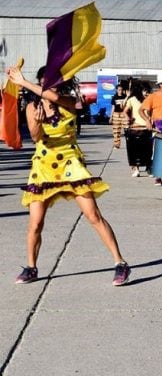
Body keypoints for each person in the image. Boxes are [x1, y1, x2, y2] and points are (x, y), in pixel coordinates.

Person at [6, 65, 130, 286]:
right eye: (44, 81)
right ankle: (31, 267)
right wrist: (37, 122)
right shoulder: (33, 107)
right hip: (43, 166)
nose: (47, 86)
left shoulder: (69, 102)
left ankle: (120, 263)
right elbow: (35, 138)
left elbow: (52, 95)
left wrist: (23, 82)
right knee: (35, 223)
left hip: (71, 164)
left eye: (51, 82)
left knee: (93, 216)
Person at [140, 73, 162, 186]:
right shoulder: (153, 96)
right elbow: (141, 110)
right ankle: (157, 176)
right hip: (158, 125)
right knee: (157, 151)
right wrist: (147, 120)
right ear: (161, 85)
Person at [123, 83, 152, 177]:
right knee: (134, 150)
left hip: (147, 127)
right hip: (135, 127)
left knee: (147, 150)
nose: (146, 93)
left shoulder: (150, 99)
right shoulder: (132, 99)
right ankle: (136, 169)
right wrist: (128, 118)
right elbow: (125, 111)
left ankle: (149, 167)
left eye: (147, 91)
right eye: (144, 91)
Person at [109, 83, 128, 149]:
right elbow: (113, 107)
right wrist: (111, 117)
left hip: (124, 114)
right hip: (116, 115)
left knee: (127, 130)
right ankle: (117, 145)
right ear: (117, 90)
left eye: (121, 90)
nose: (120, 91)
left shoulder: (125, 96)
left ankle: (129, 144)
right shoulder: (114, 97)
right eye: (119, 89)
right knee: (116, 131)